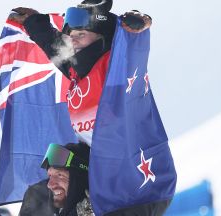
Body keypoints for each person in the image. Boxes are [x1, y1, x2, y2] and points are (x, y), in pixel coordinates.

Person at [8, 0, 152, 146]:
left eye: (81, 34)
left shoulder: (113, 64)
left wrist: (138, 25)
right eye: (71, 36)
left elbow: (133, 48)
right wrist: (32, 21)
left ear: (102, 36)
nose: (73, 41)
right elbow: (51, 44)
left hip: (129, 157)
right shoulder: (75, 71)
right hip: (99, 161)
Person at [19, 142, 92, 216]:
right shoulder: (37, 198)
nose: (49, 185)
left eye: (60, 175)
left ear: (81, 177)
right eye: (50, 176)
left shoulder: (100, 209)